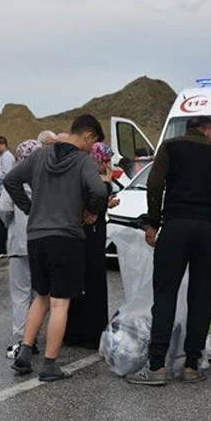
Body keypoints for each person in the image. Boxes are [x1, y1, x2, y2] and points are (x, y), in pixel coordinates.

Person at [126, 116, 211, 386]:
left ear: (188, 129)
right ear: (209, 131)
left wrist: (153, 222)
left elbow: (155, 184)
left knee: (165, 295)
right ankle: (191, 365)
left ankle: (156, 367)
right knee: (202, 298)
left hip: (176, 226)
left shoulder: (170, 146)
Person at [4, 114, 108, 382]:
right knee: (61, 303)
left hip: (36, 236)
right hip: (66, 237)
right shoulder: (83, 161)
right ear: (87, 135)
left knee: (42, 296)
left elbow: (11, 180)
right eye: (93, 141)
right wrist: (91, 212)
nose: (91, 147)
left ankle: (24, 354)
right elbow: (98, 190)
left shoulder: (40, 156)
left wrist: (31, 208)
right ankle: (49, 364)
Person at [65, 142, 119, 349]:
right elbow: (92, 200)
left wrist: (105, 202)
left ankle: (79, 331)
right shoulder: (91, 176)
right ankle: (89, 333)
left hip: (88, 232)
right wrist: (106, 185)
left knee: (87, 281)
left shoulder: (83, 172)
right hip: (89, 234)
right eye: (105, 159)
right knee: (91, 280)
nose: (107, 164)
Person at [0, 139, 42, 359]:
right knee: (39, 293)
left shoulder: (14, 179)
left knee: (20, 293)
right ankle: (35, 334)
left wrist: (12, 224)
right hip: (41, 241)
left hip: (18, 243)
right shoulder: (44, 180)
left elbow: (3, 209)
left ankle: (23, 339)